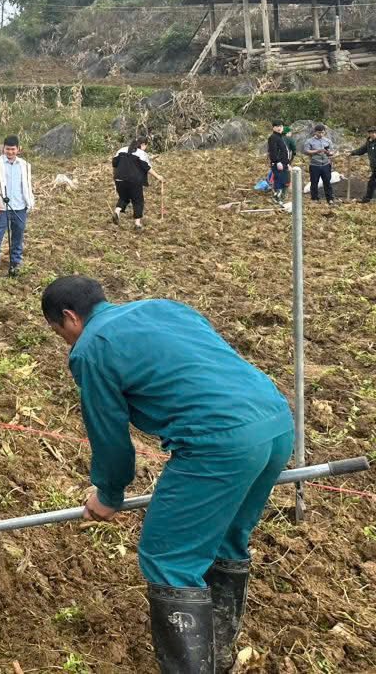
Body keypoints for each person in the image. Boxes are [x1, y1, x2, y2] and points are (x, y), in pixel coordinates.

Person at [41, 276, 293, 671]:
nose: (66, 342)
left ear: (70, 317)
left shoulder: (91, 348)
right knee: (225, 540)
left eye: (60, 333)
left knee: (169, 558)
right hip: (275, 423)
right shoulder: (163, 307)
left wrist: (108, 494)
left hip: (218, 444)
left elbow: (109, 436)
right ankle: (218, 658)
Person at [0, 135, 34, 275]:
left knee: (18, 235)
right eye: (7, 149)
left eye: (13, 149)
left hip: (20, 206)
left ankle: (16, 261)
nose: (10, 152)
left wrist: (30, 201)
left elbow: (27, 184)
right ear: (3, 148)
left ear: (18, 149)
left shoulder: (25, 165)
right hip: (2, 207)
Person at [110, 137, 163, 230]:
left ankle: (117, 211)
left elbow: (114, 163)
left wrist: (115, 176)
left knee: (123, 197)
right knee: (138, 200)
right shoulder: (142, 154)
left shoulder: (121, 150)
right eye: (146, 146)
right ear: (143, 145)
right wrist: (158, 177)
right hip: (134, 181)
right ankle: (137, 224)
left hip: (119, 179)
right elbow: (147, 168)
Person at [351, 128, 376, 204]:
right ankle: (367, 198)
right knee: (371, 183)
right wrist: (352, 153)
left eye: (375, 132)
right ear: (369, 134)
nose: (373, 134)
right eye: (372, 133)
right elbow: (362, 150)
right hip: (374, 167)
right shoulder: (369, 142)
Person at [302, 124, 335, 204]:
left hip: (326, 164)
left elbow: (332, 151)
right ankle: (314, 198)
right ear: (315, 132)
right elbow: (306, 151)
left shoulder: (327, 141)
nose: (321, 134)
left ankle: (330, 198)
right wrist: (317, 151)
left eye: (322, 132)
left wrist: (329, 153)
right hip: (314, 165)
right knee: (314, 182)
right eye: (319, 132)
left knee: (327, 182)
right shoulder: (309, 141)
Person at [266, 121, 291, 205]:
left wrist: (287, 163)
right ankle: (276, 198)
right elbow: (272, 151)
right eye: (277, 126)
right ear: (273, 127)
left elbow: (285, 152)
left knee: (285, 181)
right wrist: (277, 162)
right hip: (278, 164)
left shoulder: (281, 137)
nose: (279, 128)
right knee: (279, 181)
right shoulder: (273, 137)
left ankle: (281, 199)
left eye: (281, 126)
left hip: (284, 163)